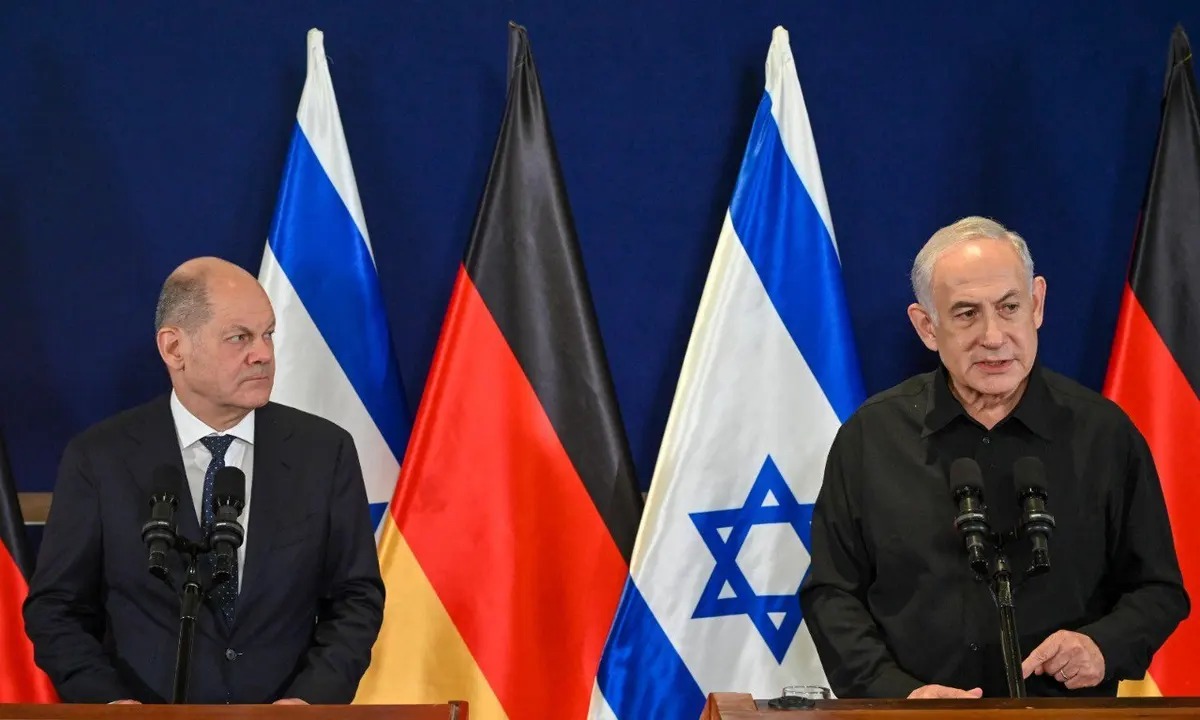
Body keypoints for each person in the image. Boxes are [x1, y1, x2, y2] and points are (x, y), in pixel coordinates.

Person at [799, 217, 1188, 698]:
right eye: (966, 313)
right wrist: (896, 694)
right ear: (927, 326)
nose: (993, 335)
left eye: (1009, 307)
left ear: (1037, 304)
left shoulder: (1105, 435)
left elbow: (1157, 590)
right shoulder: (871, 437)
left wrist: (1102, 647)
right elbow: (832, 593)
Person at [23, 257, 384, 704]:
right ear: (175, 348)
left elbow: (355, 598)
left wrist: (309, 702)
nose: (263, 354)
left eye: (269, 334)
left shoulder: (324, 451)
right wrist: (110, 706)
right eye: (240, 337)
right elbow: (56, 608)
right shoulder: (100, 459)